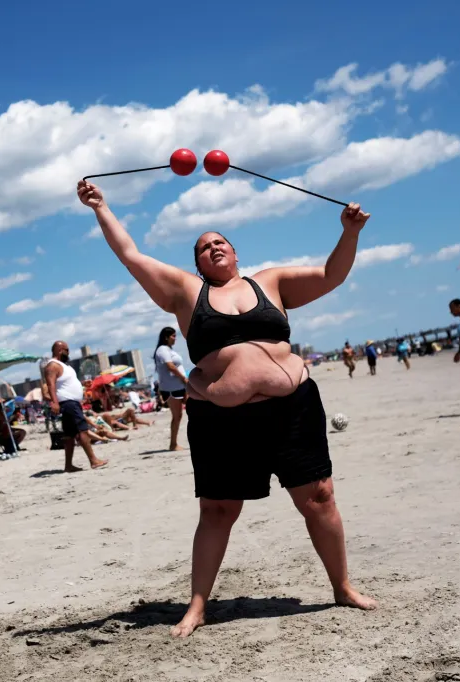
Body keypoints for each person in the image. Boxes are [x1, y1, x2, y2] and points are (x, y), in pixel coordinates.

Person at [78, 178, 375, 639]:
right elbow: (132, 255)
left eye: (220, 242)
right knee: (217, 510)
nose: (212, 248)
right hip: (222, 421)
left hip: (291, 408)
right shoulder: (183, 292)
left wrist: (349, 232)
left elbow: (332, 275)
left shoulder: (271, 282)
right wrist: (101, 207)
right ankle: (196, 607)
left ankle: (342, 586)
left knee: (318, 497)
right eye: (202, 247)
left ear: (235, 254)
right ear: (195, 263)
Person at [43, 341, 108, 472]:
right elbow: (51, 386)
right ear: (60, 350)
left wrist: (83, 384)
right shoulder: (52, 366)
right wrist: (54, 402)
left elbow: (67, 384)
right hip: (68, 403)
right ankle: (93, 460)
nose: (69, 353)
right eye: (67, 350)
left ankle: (68, 465)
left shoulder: (64, 367)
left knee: (69, 435)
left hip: (71, 403)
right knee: (82, 430)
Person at [153, 326, 188, 451]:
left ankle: (174, 443)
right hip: (172, 388)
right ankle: (173, 444)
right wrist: (184, 378)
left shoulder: (168, 349)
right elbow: (170, 366)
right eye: (173, 336)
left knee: (184, 414)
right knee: (177, 415)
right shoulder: (162, 350)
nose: (175, 338)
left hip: (179, 386)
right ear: (166, 337)